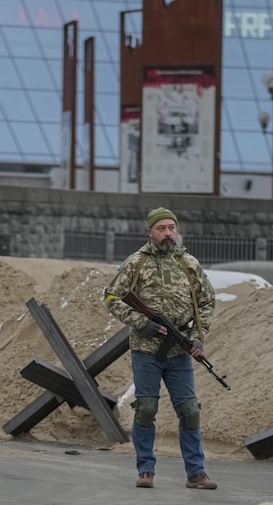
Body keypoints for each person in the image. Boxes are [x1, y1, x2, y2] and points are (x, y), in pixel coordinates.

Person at [105, 207, 217, 490]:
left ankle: (196, 472)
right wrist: (143, 323)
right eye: (161, 228)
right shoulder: (136, 263)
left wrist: (196, 337)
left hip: (179, 352)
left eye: (171, 228)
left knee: (190, 411)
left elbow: (206, 302)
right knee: (146, 409)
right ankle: (146, 471)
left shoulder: (189, 263)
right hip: (146, 350)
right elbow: (111, 297)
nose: (168, 233)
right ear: (150, 232)